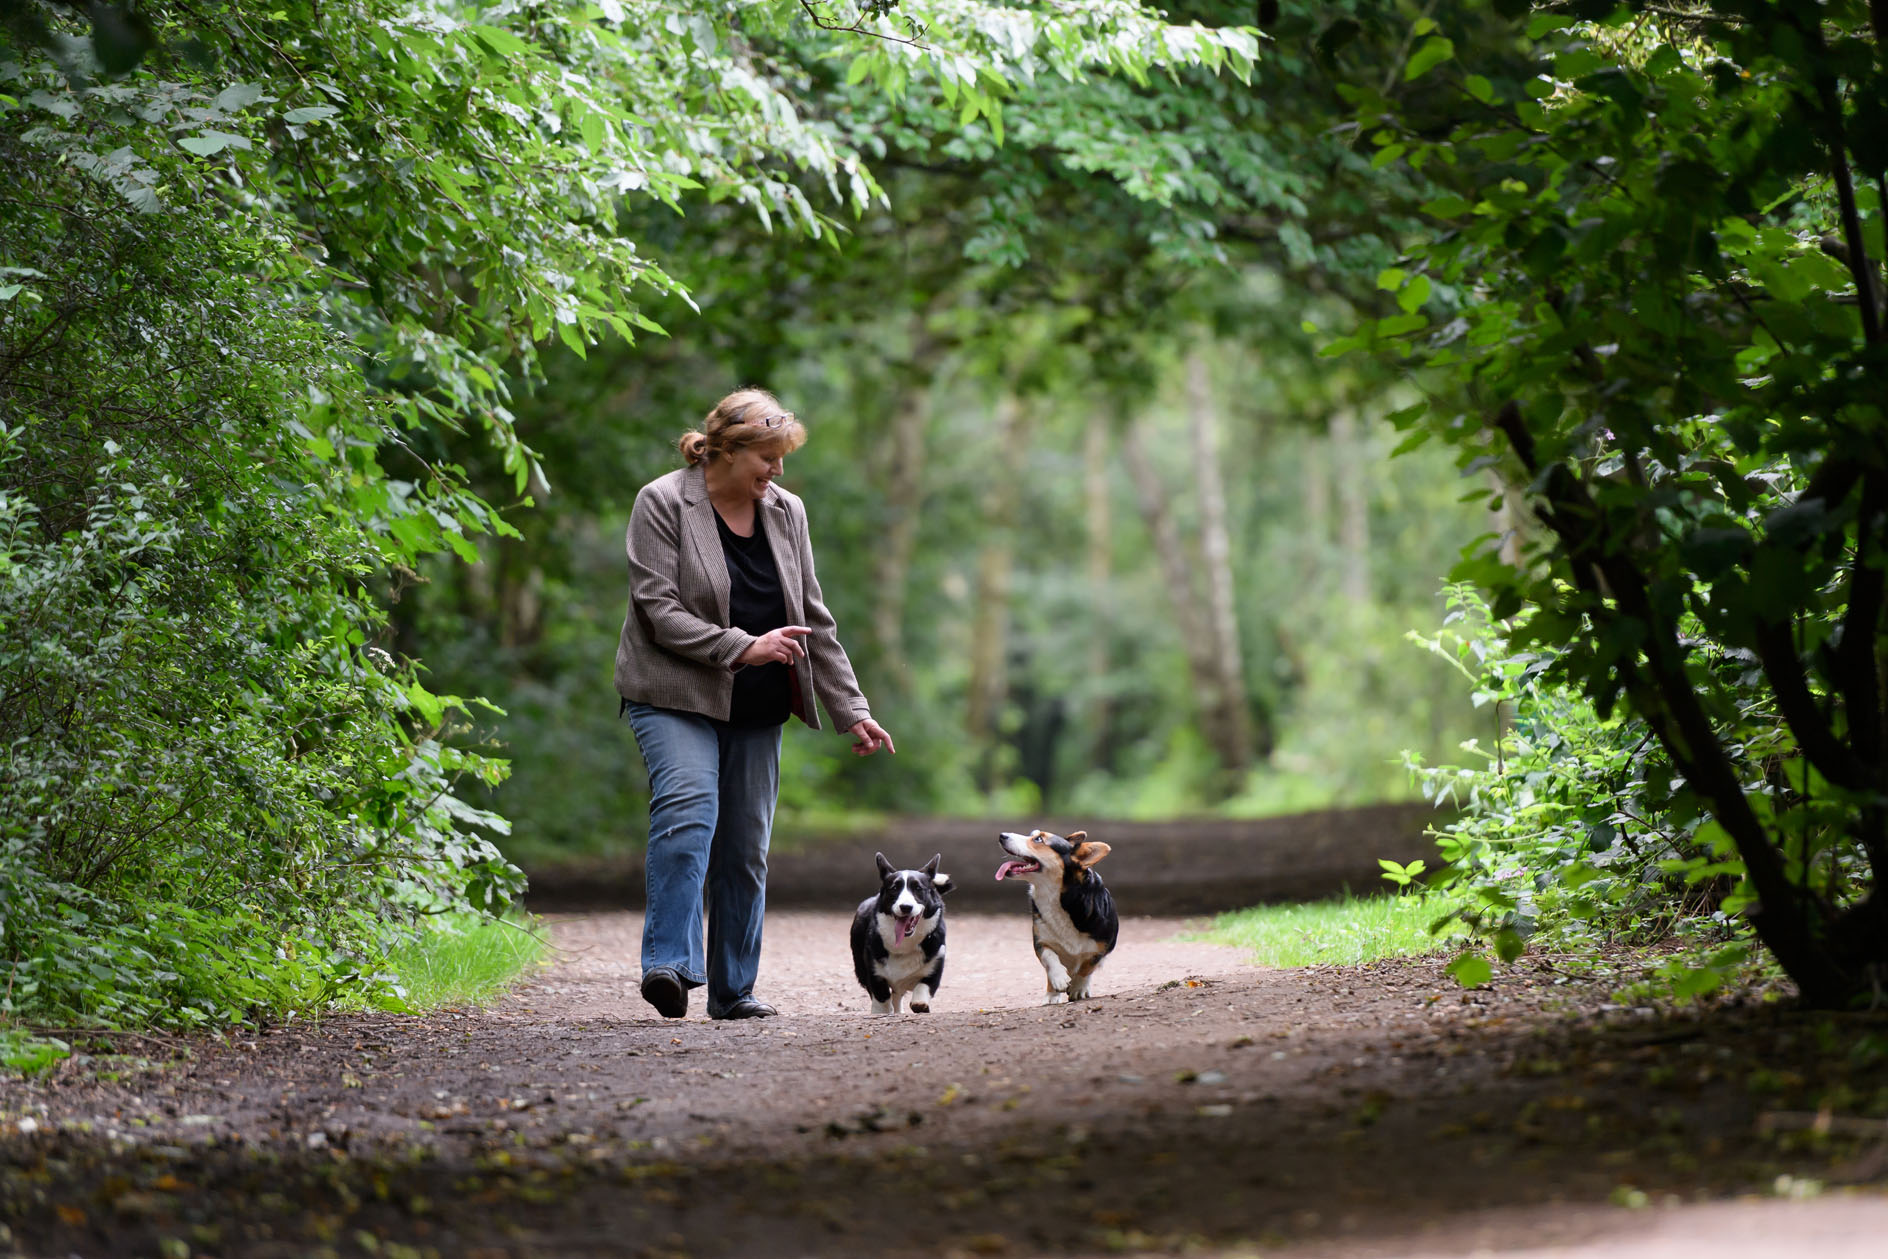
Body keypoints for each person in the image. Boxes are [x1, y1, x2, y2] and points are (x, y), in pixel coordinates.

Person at [615, 387, 895, 1020]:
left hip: (759, 699)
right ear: (727, 451)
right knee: (688, 811)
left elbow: (812, 617)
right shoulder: (663, 502)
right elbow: (657, 610)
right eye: (768, 457)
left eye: (782, 457)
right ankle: (668, 965)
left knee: (744, 846)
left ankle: (733, 990)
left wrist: (852, 708)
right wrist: (743, 646)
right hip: (672, 689)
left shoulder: (787, 512)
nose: (778, 470)